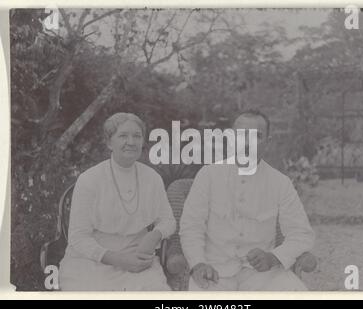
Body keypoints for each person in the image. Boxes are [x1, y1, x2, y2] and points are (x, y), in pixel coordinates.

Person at [179, 110, 315, 291]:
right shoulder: (209, 175)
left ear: (268, 141)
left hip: (262, 275)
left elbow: (301, 234)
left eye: (256, 136)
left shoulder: (280, 183)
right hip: (213, 272)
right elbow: (191, 226)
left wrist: (274, 257)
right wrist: (198, 264)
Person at [59, 113, 176, 291]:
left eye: (137, 136)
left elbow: (168, 220)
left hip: (137, 258)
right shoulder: (90, 179)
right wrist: (118, 259)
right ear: (109, 142)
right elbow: (78, 237)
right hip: (93, 261)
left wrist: (155, 234)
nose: (131, 141)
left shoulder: (152, 178)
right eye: (123, 136)